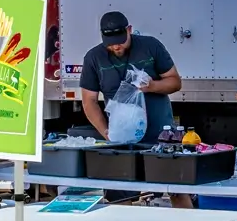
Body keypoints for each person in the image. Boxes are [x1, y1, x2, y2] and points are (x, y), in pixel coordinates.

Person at [80, 11, 192, 208]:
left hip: (161, 135)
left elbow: (175, 82)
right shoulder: (93, 58)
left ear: (129, 30)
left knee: (176, 188)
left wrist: (152, 86)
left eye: (121, 40)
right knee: (120, 197)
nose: (116, 46)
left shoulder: (150, 46)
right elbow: (89, 101)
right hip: (121, 140)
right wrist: (107, 134)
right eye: (110, 41)